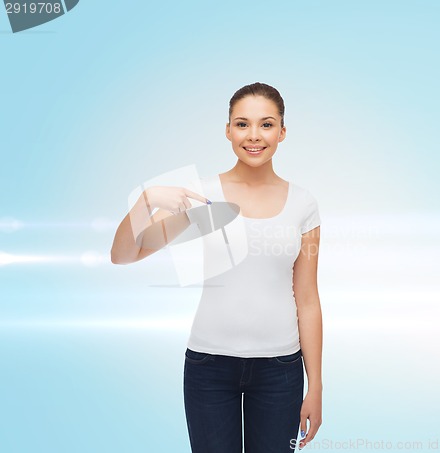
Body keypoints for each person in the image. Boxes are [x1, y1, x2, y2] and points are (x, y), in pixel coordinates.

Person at [110, 82, 323, 452]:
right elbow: (125, 254)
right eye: (242, 124)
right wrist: (146, 201)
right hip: (210, 367)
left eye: (266, 124)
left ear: (282, 132)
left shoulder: (303, 203)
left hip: (280, 370)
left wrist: (316, 385)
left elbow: (307, 298)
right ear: (227, 130)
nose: (253, 135)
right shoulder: (203, 196)